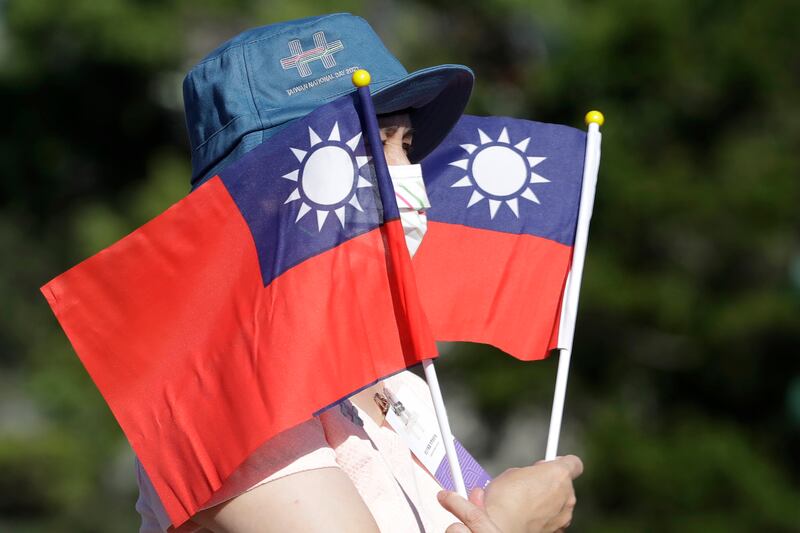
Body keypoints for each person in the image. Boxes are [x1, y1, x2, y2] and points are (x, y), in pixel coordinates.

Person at [134, 14, 583, 533]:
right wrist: (509, 522)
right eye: (370, 146)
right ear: (261, 191)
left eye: (404, 146)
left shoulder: (394, 385)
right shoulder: (215, 390)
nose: (407, 177)